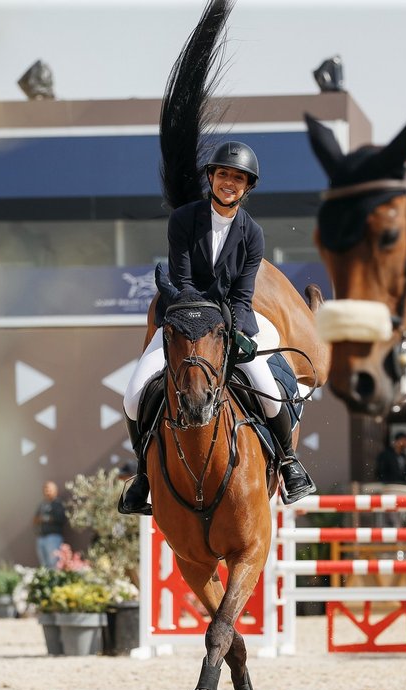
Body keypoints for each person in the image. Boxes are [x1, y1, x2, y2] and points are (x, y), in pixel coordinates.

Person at [118, 140, 315, 514]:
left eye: (238, 178)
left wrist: (233, 330)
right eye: (223, 174)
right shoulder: (183, 220)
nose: (229, 183)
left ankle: (289, 463)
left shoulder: (252, 234)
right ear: (211, 177)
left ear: (247, 187)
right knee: (132, 395)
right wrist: (200, 324)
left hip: (228, 324)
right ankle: (143, 476)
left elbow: (243, 294)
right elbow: (183, 279)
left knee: (266, 387)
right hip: (182, 319)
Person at [34, 481, 66, 568]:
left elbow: (58, 518)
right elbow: (35, 519)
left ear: (55, 491)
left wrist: (44, 518)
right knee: (44, 564)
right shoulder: (42, 505)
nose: (47, 492)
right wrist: (46, 518)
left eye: (49, 490)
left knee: (54, 562)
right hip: (41, 537)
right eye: (45, 489)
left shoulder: (58, 504)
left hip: (53, 537)